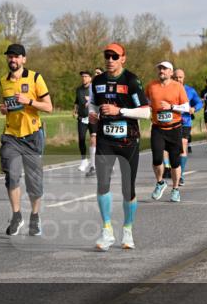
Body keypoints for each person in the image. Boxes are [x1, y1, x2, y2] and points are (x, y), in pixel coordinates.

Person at [89, 43, 150, 251]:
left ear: (123, 58)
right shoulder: (97, 81)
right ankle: (107, 231)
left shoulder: (131, 80)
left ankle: (127, 230)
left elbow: (146, 112)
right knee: (102, 184)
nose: (110, 60)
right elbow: (93, 104)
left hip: (128, 140)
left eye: (115, 56)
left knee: (127, 188)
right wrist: (93, 113)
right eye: (107, 56)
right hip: (105, 139)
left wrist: (120, 111)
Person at [0, 43, 52, 236]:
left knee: (34, 183)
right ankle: (16, 216)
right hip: (11, 136)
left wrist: (28, 101)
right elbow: (8, 106)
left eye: (16, 56)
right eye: (10, 56)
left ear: (24, 59)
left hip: (32, 137)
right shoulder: (3, 81)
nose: (12, 59)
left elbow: (49, 107)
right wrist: (5, 109)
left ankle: (35, 217)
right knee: (12, 175)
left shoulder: (35, 78)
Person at [146, 61, 189, 202]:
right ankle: (160, 182)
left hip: (174, 128)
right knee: (157, 159)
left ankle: (175, 189)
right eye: (160, 68)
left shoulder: (178, 87)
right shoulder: (151, 86)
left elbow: (186, 107)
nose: (161, 71)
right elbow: (145, 101)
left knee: (175, 162)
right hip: (158, 128)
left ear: (171, 72)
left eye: (164, 69)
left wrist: (171, 107)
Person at [173, 68, 202, 187]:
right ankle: (171, 168)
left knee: (183, 145)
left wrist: (194, 108)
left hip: (185, 122)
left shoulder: (190, 90)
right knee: (172, 148)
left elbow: (199, 103)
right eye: (176, 77)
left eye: (180, 77)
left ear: (183, 78)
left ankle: (180, 175)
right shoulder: (168, 89)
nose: (178, 79)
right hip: (171, 122)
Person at [73, 70, 96, 175]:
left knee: (94, 139)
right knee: (81, 139)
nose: (84, 78)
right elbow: (77, 101)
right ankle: (84, 160)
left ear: (90, 78)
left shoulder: (94, 89)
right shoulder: (79, 89)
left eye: (86, 76)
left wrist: (90, 100)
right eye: (82, 76)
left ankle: (94, 162)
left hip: (93, 118)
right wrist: (75, 110)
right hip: (82, 118)